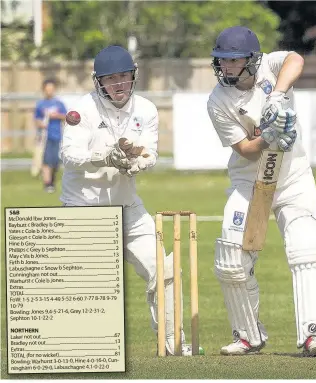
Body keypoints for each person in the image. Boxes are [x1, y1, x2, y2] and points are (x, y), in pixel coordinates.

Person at [60, 45, 192, 356]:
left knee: (166, 269)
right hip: (84, 209)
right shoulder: (83, 110)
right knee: (89, 289)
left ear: (133, 77)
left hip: (128, 207)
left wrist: (140, 162)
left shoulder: (145, 109)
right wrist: (103, 156)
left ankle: (173, 342)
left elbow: (150, 151)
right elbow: (69, 156)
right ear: (99, 82)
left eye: (124, 77)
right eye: (111, 79)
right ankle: (82, 350)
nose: (119, 84)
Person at [207, 26, 316, 357]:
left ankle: (313, 335)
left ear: (252, 59)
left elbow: (295, 58)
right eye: (223, 62)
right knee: (231, 256)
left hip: (292, 177)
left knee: (307, 250)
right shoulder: (218, 100)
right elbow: (246, 149)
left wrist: (276, 95)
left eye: (234, 62)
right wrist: (269, 137)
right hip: (250, 182)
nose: (227, 68)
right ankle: (248, 335)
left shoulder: (270, 66)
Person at [32, 78, 67, 192]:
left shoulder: (59, 104)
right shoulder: (40, 104)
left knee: (55, 161)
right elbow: (36, 119)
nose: (49, 91)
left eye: (51, 89)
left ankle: (52, 181)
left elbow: (66, 117)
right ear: (44, 90)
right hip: (44, 137)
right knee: (46, 160)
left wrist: (57, 116)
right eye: (47, 89)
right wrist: (40, 124)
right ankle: (47, 184)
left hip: (57, 135)